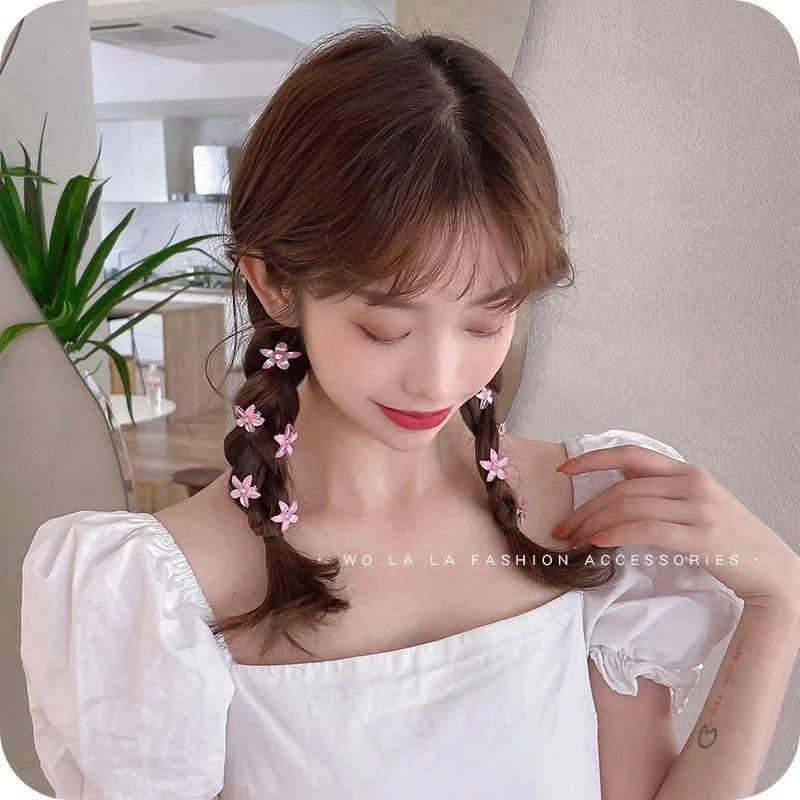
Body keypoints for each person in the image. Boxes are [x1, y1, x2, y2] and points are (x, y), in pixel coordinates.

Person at [20, 24, 800, 800]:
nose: (438, 379)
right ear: (274, 285)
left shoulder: (588, 511)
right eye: (385, 328)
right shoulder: (162, 594)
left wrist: (778, 607)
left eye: (485, 322)